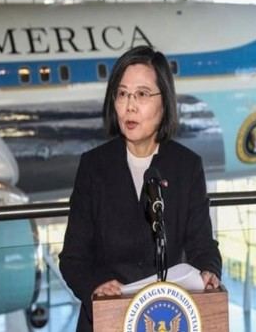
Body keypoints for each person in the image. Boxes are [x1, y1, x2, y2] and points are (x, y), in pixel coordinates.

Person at [59, 46, 222, 332]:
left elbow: (202, 246)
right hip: (107, 320)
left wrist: (209, 271)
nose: (129, 106)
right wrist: (96, 287)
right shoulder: (93, 167)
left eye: (142, 94)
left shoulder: (186, 166)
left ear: (165, 102)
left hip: (167, 317)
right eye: (122, 94)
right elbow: (73, 259)